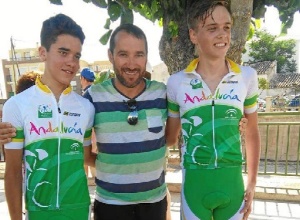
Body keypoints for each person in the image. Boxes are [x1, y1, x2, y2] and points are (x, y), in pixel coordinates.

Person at [165, 1, 261, 220]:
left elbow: (253, 131)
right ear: (193, 35)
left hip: (232, 183)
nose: (222, 34)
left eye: (226, 27)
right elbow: (170, 138)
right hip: (194, 186)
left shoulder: (246, 77)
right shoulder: (176, 83)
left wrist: (253, 182)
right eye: (212, 28)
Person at [2, 13, 95, 220]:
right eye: (63, 52)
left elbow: (87, 158)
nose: (71, 62)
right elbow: (13, 171)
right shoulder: (16, 105)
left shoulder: (86, 108)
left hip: (79, 209)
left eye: (77, 56)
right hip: (38, 211)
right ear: (43, 53)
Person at [83, 23, 168, 220]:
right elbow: (84, 154)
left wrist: (237, 122)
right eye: (123, 54)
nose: (131, 63)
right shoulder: (93, 97)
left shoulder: (162, 93)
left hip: (154, 204)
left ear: (146, 57)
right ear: (110, 55)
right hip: (110, 205)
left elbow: (188, 120)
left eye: (139, 54)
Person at [80, 67, 96, 177]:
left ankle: (85, 178)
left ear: (83, 78)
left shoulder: (86, 95)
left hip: (89, 130)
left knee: (86, 154)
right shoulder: (98, 92)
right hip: (99, 130)